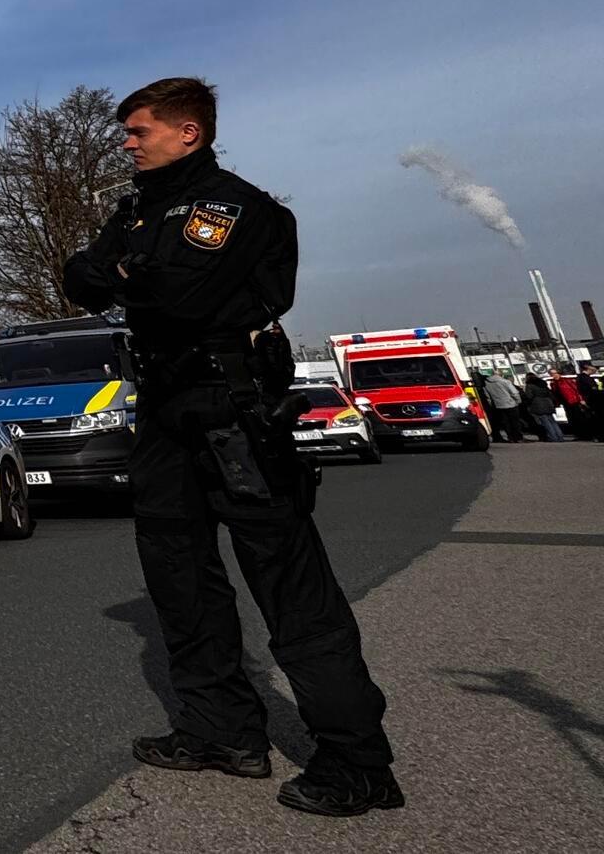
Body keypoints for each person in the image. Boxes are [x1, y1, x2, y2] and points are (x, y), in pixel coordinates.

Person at [63, 77, 400, 818]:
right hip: (164, 414)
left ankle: (356, 760)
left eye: (137, 130)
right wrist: (123, 273)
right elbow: (80, 279)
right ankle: (221, 732)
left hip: (232, 411)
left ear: (188, 132)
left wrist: (124, 274)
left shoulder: (238, 208)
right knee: (178, 577)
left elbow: (177, 298)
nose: (126, 142)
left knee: (289, 585)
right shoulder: (136, 210)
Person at [481, 369, 526, 443]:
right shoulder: (505, 381)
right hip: (511, 404)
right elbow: (514, 393)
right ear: (501, 375)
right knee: (515, 421)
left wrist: (492, 405)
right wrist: (518, 401)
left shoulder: (486, 384)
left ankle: (510, 437)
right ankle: (517, 437)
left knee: (506, 422)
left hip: (498, 405)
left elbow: (488, 397)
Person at [523, 371, 565, 443]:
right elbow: (550, 393)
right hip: (548, 403)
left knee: (545, 422)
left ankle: (553, 437)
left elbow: (529, 396)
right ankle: (560, 436)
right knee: (552, 421)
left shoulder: (529, 385)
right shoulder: (543, 384)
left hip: (538, 404)